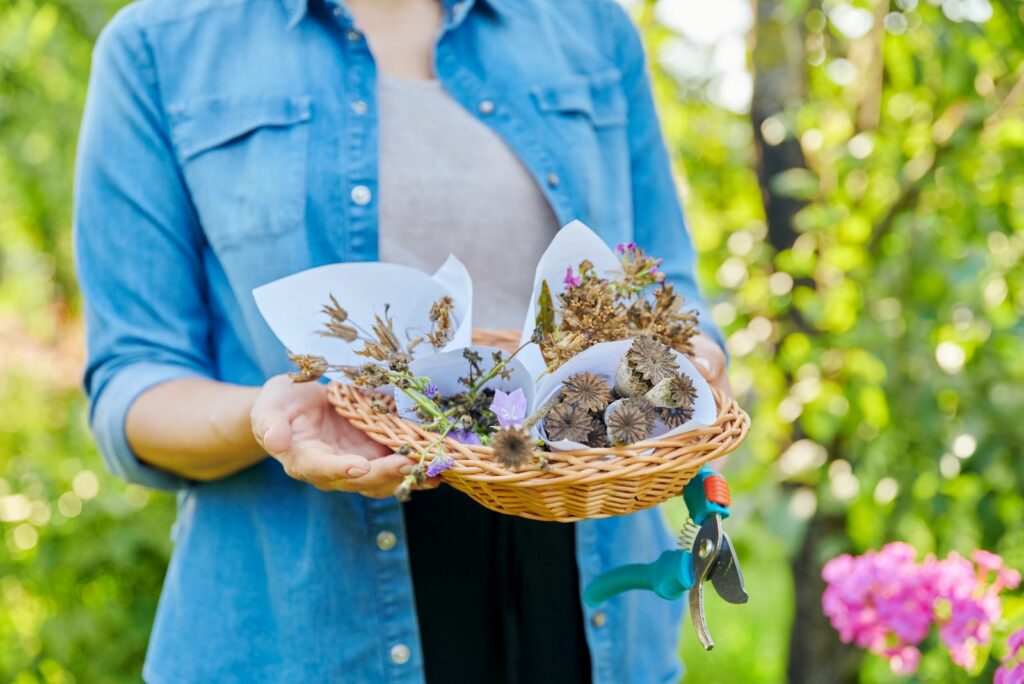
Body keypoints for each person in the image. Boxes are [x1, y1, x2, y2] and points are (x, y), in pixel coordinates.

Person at [74, 0, 730, 681]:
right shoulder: (161, 47)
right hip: (306, 614)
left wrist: (692, 365)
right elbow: (134, 383)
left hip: (582, 586)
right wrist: (269, 418)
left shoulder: (588, 29)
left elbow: (665, 290)